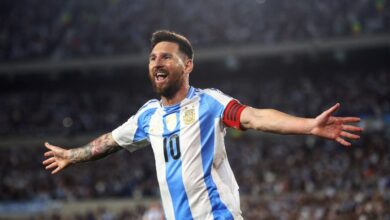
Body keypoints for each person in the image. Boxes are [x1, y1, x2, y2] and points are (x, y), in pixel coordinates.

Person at [43, 30, 363, 220]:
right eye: (153, 57)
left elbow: (254, 116)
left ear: (188, 65)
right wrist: (73, 155)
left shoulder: (208, 103)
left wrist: (308, 125)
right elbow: (109, 141)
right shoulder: (147, 116)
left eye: (167, 56)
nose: (157, 62)